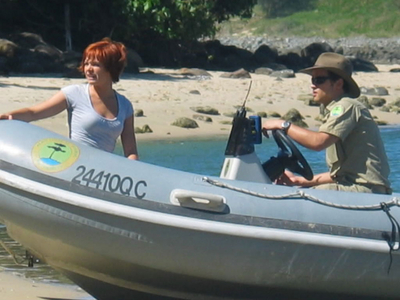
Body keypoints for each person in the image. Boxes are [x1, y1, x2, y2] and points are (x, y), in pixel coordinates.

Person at [262, 52, 391, 194]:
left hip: (365, 191)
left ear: (338, 84)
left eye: (319, 80)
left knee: (302, 197)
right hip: (352, 188)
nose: (313, 86)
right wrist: (299, 181)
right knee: (299, 190)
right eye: (313, 80)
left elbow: (318, 142)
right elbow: (339, 175)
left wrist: (282, 125)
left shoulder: (346, 106)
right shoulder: (333, 109)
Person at [0, 38, 138, 160]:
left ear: (111, 69)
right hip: (76, 166)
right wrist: (9, 116)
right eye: (86, 63)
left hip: (102, 174)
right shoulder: (74, 93)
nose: (88, 69)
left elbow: (131, 151)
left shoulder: (125, 105)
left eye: (95, 65)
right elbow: (34, 112)